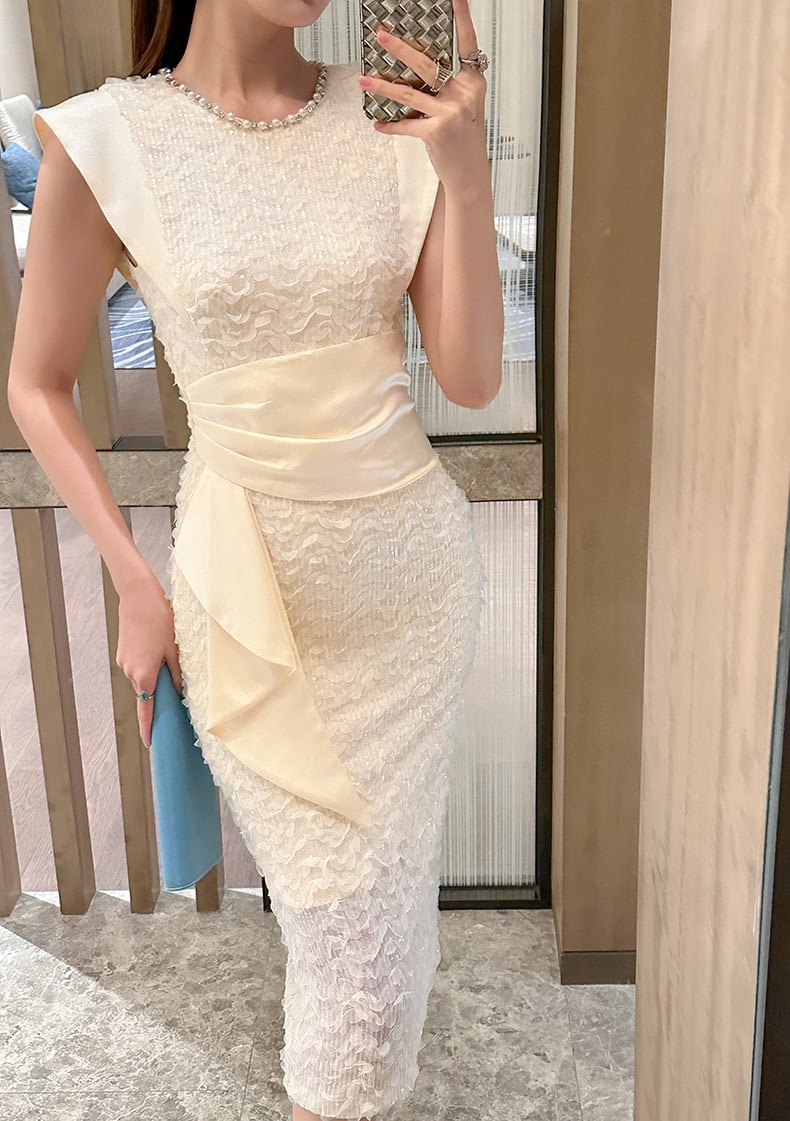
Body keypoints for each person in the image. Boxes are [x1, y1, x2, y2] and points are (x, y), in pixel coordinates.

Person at [7, 0, 503, 1117]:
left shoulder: (389, 121)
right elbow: (36, 383)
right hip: (248, 598)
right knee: (348, 953)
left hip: (410, 595)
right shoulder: (104, 136)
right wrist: (135, 579)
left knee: (381, 926)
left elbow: (471, 378)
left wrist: (465, 176)